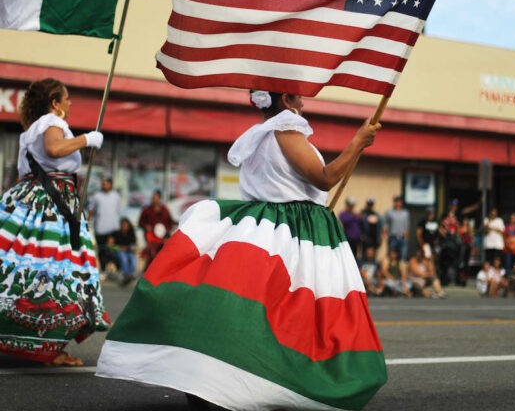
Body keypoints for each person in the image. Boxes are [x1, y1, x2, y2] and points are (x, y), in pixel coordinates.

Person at [97, 90, 387, 410]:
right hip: (293, 230)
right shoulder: (286, 128)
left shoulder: (260, 135)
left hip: (272, 222)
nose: (304, 100)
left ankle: (216, 377)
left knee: (251, 310)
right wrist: (358, 141)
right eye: (299, 95)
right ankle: (277, 380)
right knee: (298, 315)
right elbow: (324, 178)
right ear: (287, 99)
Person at [0, 78, 109, 366]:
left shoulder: (31, 128)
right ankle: (51, 347)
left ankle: (46, 344)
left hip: (31, 199)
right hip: (50, 206)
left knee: (27, 270)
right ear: (54, 103)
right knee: (57, 274)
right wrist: (87, 139)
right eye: (66, 98)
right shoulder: (51, 121)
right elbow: (54, 150)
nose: (70, 103)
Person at [89, 177, 121, 275]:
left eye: (106, 184)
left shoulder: (116, 196)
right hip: (100, 228)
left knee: (113, 250)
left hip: (113, 228)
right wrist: (88, 221)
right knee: (102, 250)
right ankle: (103, 270)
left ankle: (115, 270)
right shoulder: (96, 196)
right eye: (103, 184)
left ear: (110, 184)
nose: (105, 185)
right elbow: (91, 209)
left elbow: (118, 210)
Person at [138, 189, 175, 270]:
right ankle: (147, 272)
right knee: (151, 254)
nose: (154, 199)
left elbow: (171, 223)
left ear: (159, 198)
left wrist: (166, 232)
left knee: (161, 255)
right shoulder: (147, 210)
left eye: (156, 198)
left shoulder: (165, 210)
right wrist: (146, 226)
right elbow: (140, 222)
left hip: (162, 238)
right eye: (153, 198)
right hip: (151, 237)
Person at [384, 195, 410, 262]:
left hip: (402, 237)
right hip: (393, 237)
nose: (398, 203)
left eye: (399, 201)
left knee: (403, 256)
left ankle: (402, 271)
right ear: (394, 202)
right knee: (391, 256)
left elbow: (406, 226)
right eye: (396, 201)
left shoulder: (405, 213)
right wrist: (385, 234)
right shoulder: (389, 212)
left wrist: (406, 236)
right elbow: (386, 224)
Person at [112, 218, 137, 286]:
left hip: (129, 251)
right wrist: (119, 248)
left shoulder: (131, 234)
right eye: (123, 224)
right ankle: (126, 275)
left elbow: (134, 245)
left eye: (126, 225)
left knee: (133, 258)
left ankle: (130, 274)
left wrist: (130, 248)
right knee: (123, 258)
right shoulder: (116, 233)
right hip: (119, 251)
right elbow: (111, 245)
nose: (124, 226)